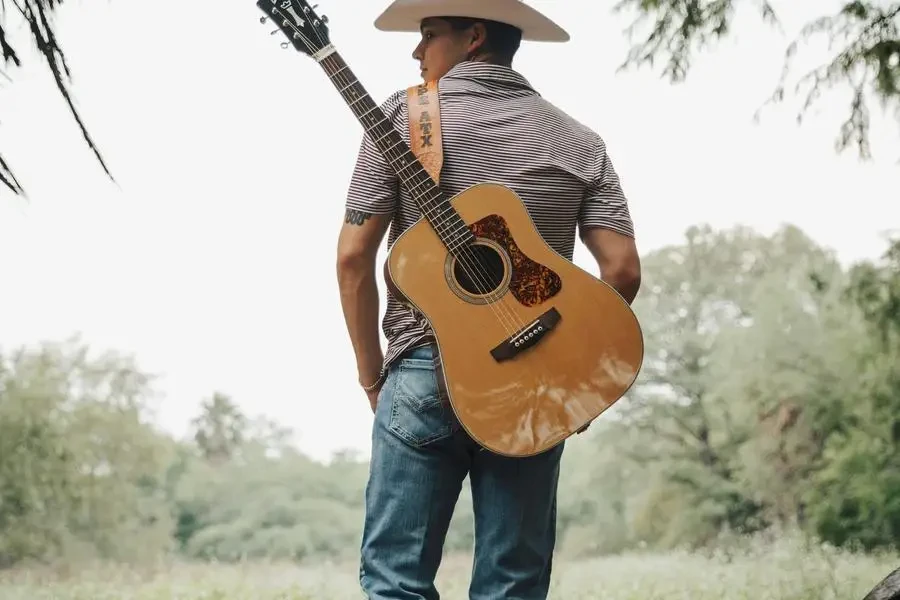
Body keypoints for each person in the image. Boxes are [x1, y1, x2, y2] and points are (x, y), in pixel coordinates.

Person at [335, 1, 641, 598]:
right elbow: (622, 269)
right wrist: (574, 371)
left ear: (472, 37)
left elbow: (352, 257)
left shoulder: (399, 115)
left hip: (425, 368)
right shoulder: (579, 139)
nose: (416, 52)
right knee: (514, 580)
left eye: (428, 35)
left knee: (396, 578)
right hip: (537, 376)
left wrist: (373, 376)